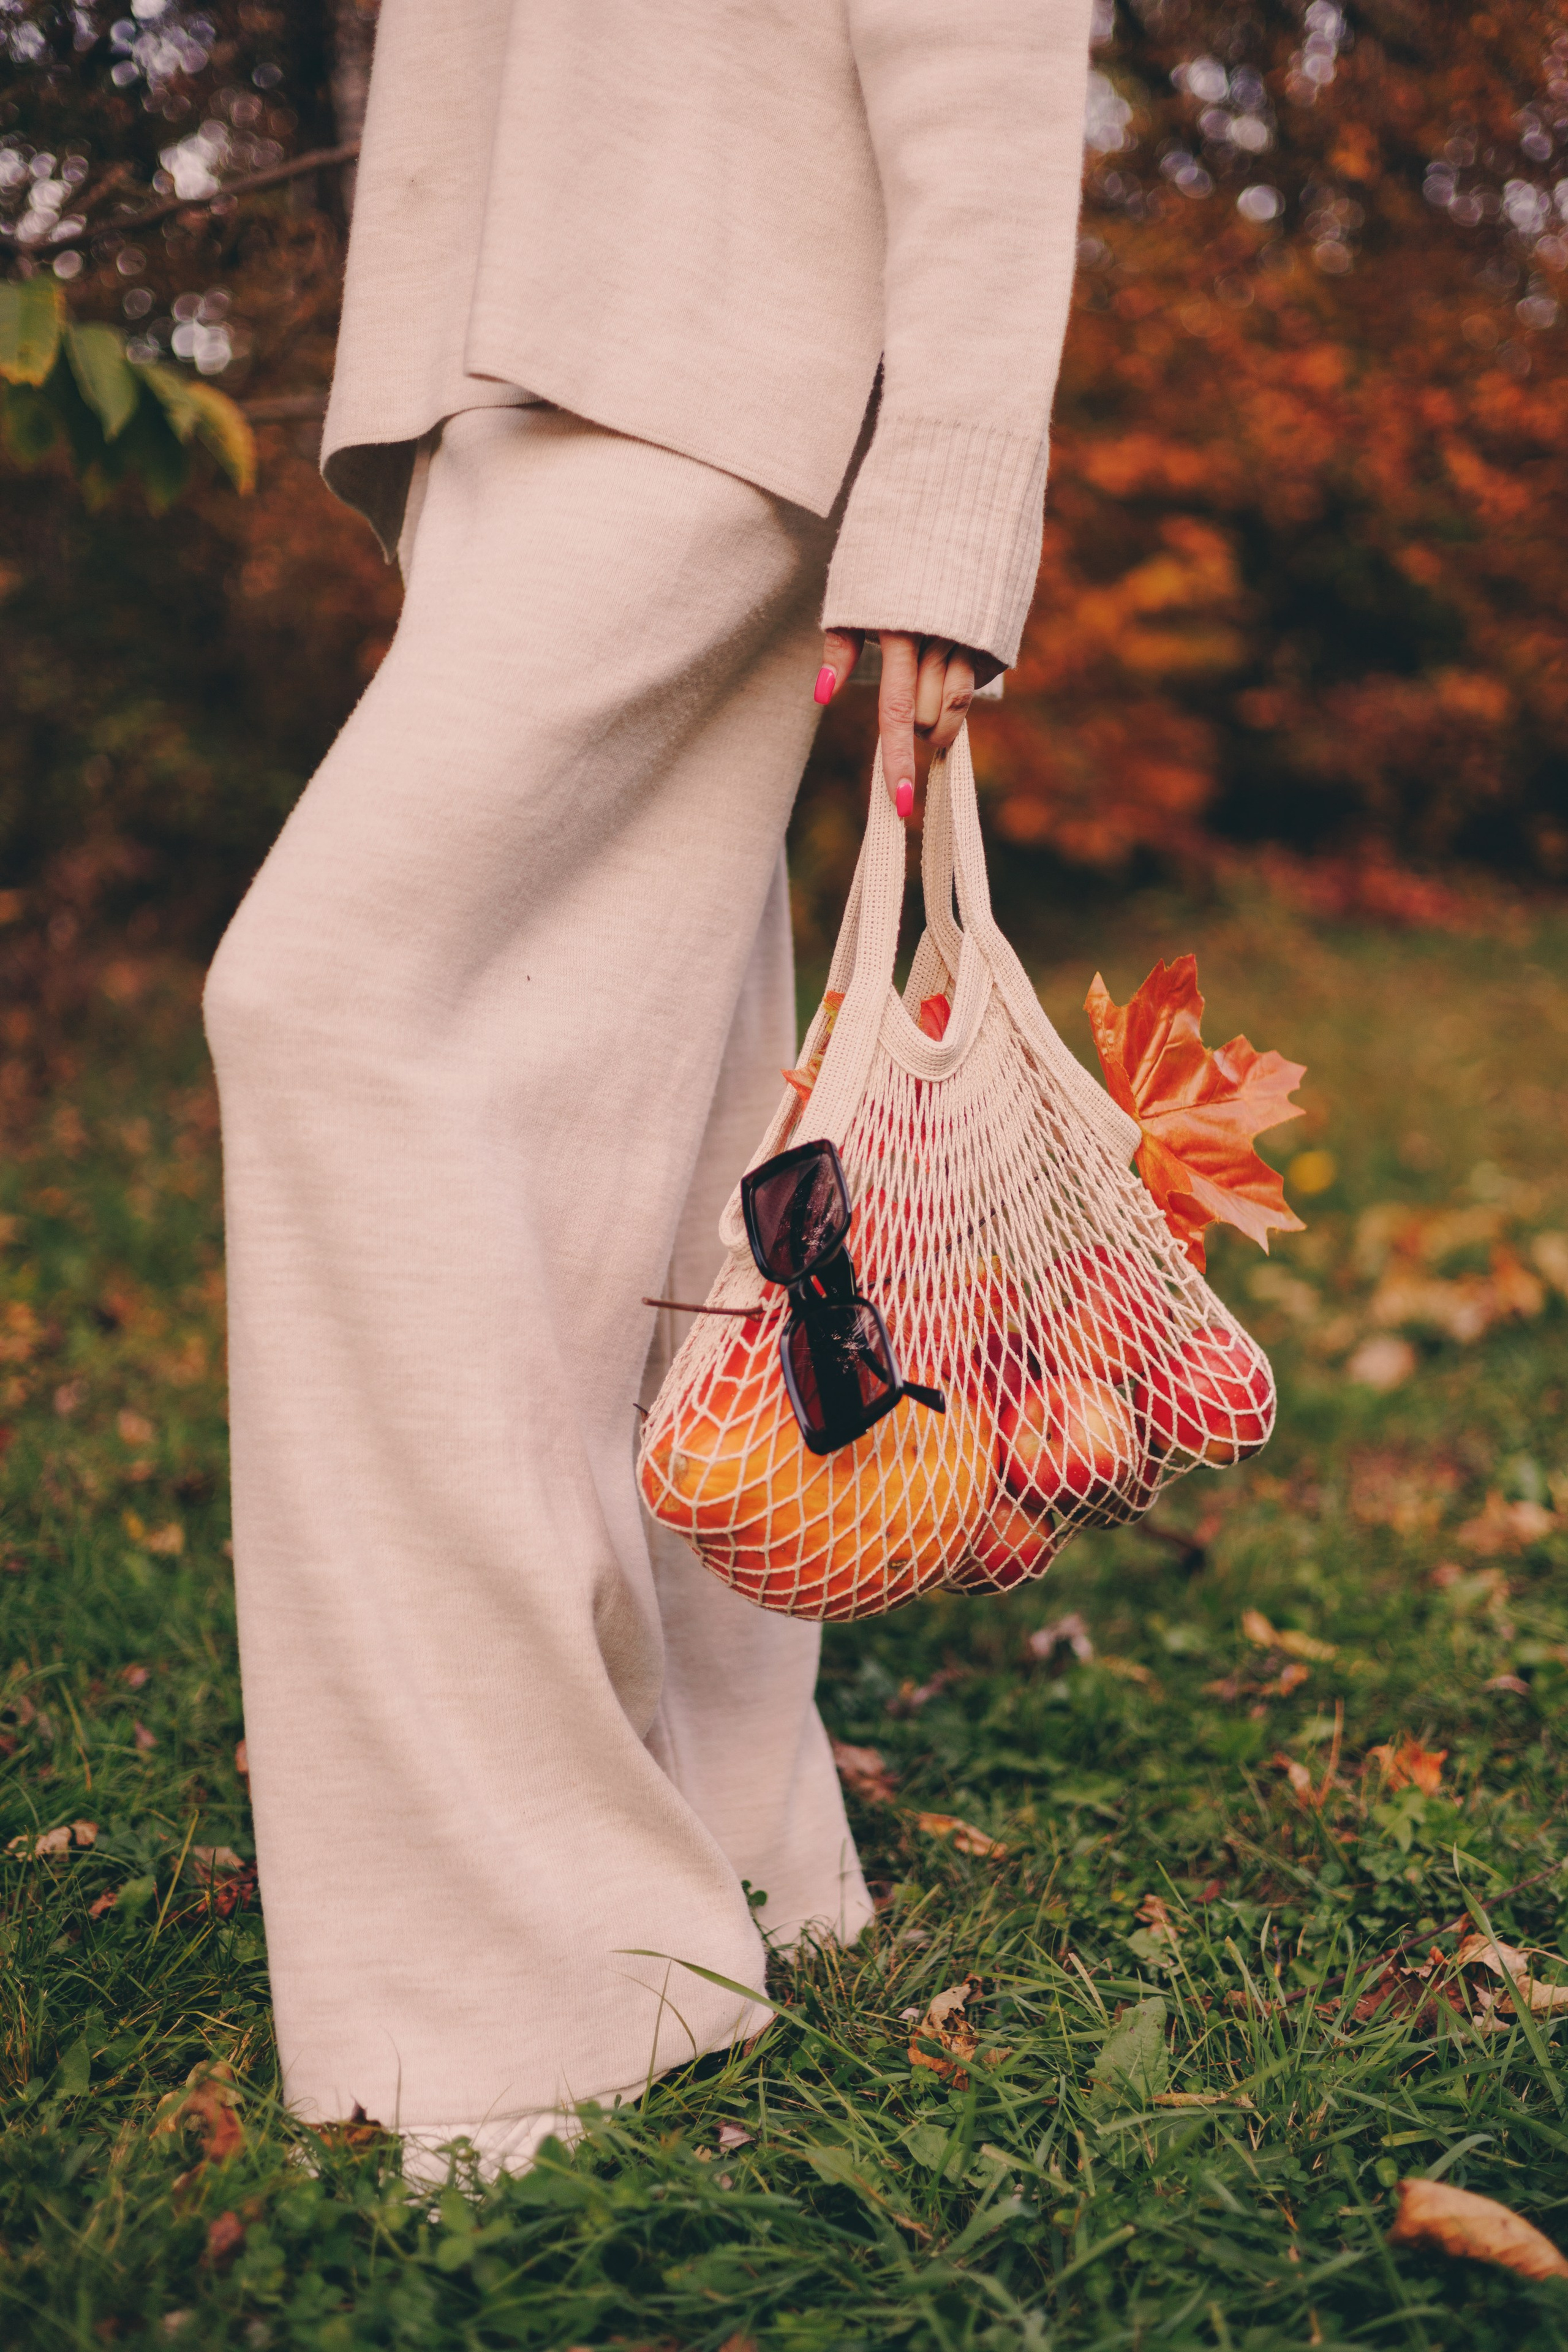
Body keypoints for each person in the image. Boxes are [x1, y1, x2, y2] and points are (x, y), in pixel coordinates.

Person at [203, 0, 1094, 2179]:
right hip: (525, 370)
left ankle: (526, 1978)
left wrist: (951, 493)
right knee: (663, 1134)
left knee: (326, 1009)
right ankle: (741, 1850)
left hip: (714, 336)